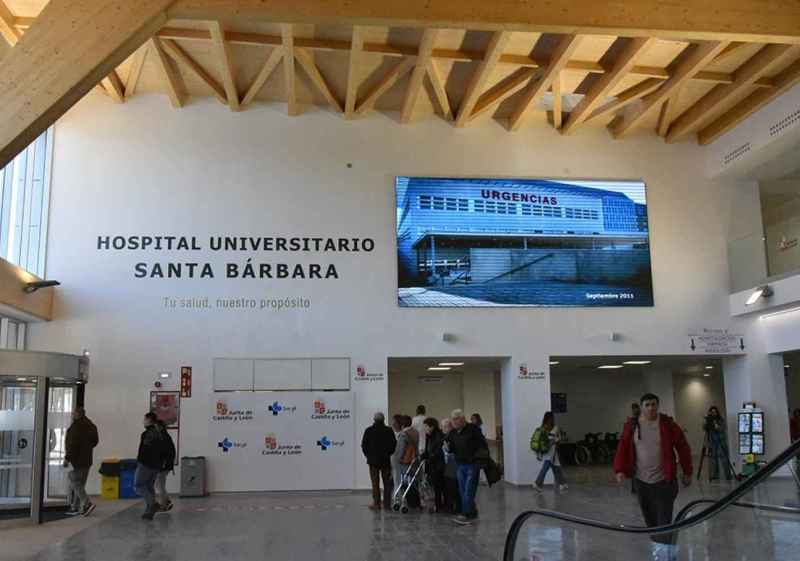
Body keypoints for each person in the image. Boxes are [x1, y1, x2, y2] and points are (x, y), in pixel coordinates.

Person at [614, 394, 692, 561]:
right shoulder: (632, 426)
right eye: (647, 405)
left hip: (665, 481)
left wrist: (687, 471)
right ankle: (661, 551)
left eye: (654, 404)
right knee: (651, 521)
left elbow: (683, 446)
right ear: (641, 407)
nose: (651, 408)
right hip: (642, 482)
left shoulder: (667, 425)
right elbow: (623, 446)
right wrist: (619, 469)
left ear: (658, 406)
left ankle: (665, 556)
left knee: (664, 521)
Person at [445, 409, 488, 525]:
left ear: (462, 419)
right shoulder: (453, 433)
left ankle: (466, 514)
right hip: (460, 465)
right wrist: (448, 448)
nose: (453, 422)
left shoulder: (473, 430)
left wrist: (479, 460)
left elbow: (482, 445)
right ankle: (472, 512)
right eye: (452, 419)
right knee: (463, 491)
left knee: (469, 491)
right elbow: (451, 447)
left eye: (455, 419)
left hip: (472, 465)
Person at [64, 407, 99, 516]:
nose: (72, 415)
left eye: (73, 413)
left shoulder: (76, 427)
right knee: (80, 484)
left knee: (73, 479)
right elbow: (95, 441)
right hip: (87, 459)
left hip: (77, 460)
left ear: (78, 414)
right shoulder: (91, 425)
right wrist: (87, 448)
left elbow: (72, 444)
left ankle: (87, 503)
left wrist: (67, 458)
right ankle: (77, 507)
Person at [361, 412, 397, 510]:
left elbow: (364, 446)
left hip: (373, 462)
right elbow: (394, 445)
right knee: (387, 484)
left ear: (374, 420)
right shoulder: (389, 430)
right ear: (383, 419)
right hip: (385, 461)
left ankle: (376, 503)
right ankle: (387, 504)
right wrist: (388, 454)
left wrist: (368, 456)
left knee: (375, 483)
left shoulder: (368, 431)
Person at [135, 412, 165, 521]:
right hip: (156, 465)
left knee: (138, 485)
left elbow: (144, 450)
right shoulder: (159, 433)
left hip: (146, 464)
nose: (143, 421)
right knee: (148, 486)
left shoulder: (147, 433)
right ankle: (149, 512)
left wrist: (140, 461)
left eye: (144, 419)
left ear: (149, 420)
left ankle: (153, 504)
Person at [532, 411, 567, 492]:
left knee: (557, 468)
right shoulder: (551, 428)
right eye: (550, 418)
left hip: (550, 453)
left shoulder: (544, 428)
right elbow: (554, 440)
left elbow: (556, 439)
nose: (551, 419)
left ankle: (563, 483)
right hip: (550, 453)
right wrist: (556, 440)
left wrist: (539, 453)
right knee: (547, 468)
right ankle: (537, 483)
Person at [421, 417, 446, 512]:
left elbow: (438, 452)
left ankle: (439, 506)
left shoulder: (439, 436)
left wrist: (429, 456)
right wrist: (423, 455)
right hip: (432, 465)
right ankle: (437, 505)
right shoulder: (429, 436)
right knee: (435, 486)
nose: (425, 429)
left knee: (438, 486)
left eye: (426, 427)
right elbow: (428, 450)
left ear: (432, 427)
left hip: (438, 465)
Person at [703, 406, 733, 481]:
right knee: (713, 459)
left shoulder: (720, 420)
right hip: (712, 442)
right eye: (711, 412)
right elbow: (704, 428)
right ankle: (715, 475)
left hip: (721, 441)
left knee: (724, 458)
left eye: (714, 412)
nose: (713, 413)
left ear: (717, 412)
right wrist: (707, 421)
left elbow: (723, 428)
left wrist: (716, 425)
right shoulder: (709, 420)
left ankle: (728, 475)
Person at [154, 420, 176, 513]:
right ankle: (167, 502)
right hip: (165, 465)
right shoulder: (163, 436)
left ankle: (164, 505)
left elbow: (165, 453)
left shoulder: (163, 437)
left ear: (160, 427)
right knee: (159, 485)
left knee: (159, 485)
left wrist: (163, 463)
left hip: (163, 466)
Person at [441, 417, 460, 514]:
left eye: (444, 427)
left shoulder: (450, 436)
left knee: (453, 486)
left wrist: (446, 448)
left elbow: (449, 449)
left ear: (449, 427)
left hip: (452, 463)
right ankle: (451, 506)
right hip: (449, 463)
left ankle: (454, 507)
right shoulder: (447, 436)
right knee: (450, 486)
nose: (442, 428)